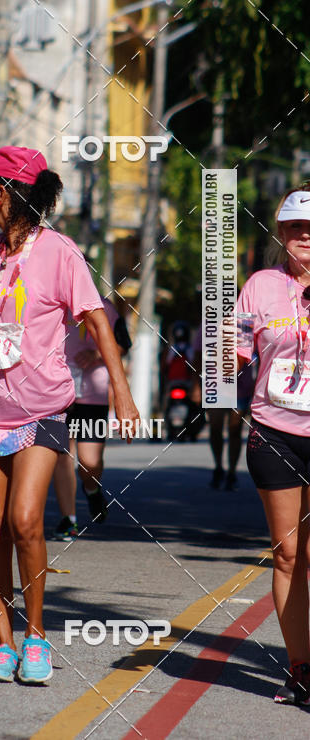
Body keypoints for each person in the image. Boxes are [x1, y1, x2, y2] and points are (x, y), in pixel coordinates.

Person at [0, 146, 139, 684]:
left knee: (24, 520)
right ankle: (3, 643)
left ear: (9, 193)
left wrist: (122, 392)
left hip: (43, 407)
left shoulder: (60, 252)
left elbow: (97, 323)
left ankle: (37, 637)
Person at [236, 184, 310, 704]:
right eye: (294, 228)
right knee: (288, 556)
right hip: (274, 431)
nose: (304, 236)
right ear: (281, 234)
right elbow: (232, 347)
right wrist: (224, 365)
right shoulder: (260, 285)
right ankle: (301, 667)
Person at [52, 298, 132, 540]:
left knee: (90, 463)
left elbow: (123, 344)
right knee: (62, 455)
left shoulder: (104, 308)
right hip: (55, 393)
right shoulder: (50, 303)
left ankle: (91, 487)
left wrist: (97, 353)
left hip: (92, 395)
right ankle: (69, 520)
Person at [191, 325, 257, 489]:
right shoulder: (207, 325)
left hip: (240, 387)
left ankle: (232, 472)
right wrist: (196, 386)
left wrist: (257, 387)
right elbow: (198, 357)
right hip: (216, 386)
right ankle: (219, 466)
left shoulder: (245, 325)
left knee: (234, 429)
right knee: (215, 427)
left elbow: (259, 355)